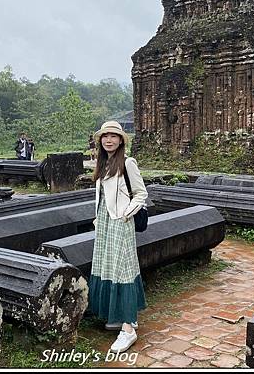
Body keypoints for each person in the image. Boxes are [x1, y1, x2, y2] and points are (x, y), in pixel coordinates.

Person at [88, 120, 147, 354]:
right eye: (105, 136)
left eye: (113, 136)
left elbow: (141, 194)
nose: (109, 140)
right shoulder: (102, 164)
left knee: (123, 269)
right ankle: (122, 316)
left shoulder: (127, 162)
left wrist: (125, 215)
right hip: (104, 223)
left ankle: (128, 329)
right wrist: (98, 218)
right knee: (108, 267)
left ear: (121, 140)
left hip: (120, 222)